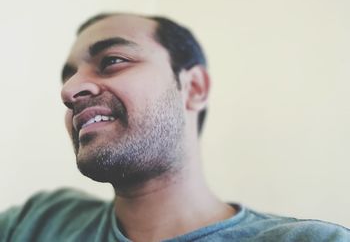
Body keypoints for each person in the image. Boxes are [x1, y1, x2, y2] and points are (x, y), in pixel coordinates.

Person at [0, 13, 349, 242]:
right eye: (69, 76)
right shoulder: (36, 222)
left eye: (112, 61)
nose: (70, 91)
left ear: (194, 88)